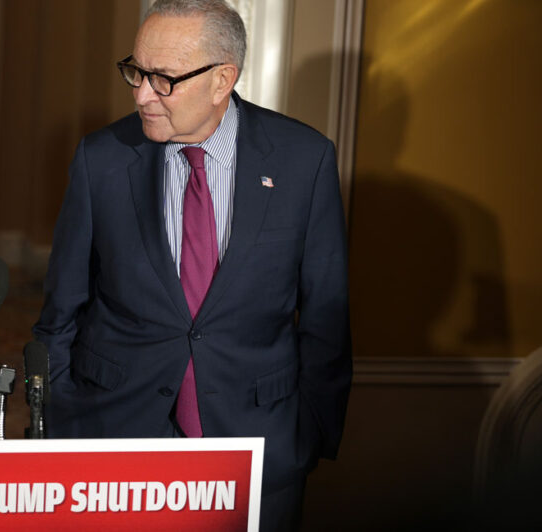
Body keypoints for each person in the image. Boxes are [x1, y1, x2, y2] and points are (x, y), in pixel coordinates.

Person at [32, 1, 351, 530]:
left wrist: (307, 438)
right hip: (115, 437)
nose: (141, 94)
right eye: (135, 72)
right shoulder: (101, 158)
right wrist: (63, 421)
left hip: (259, 446)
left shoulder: (303, 159)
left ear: (222, 79)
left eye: (163, 79)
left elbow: (327, 320)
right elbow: (60, 311)